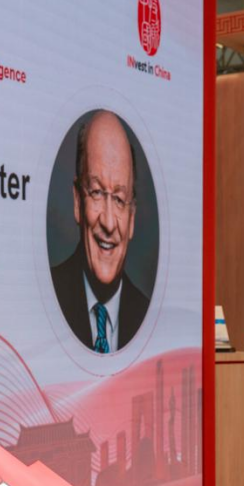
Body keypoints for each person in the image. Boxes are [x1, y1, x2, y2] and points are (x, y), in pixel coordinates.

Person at [51, 111, 150, 354]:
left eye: (119, 199)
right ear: (77, 202)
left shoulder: (149, 315)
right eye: (96, 192)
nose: (108, 222)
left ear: (132, 217)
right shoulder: (47, 295)